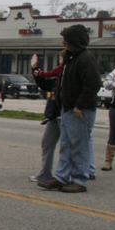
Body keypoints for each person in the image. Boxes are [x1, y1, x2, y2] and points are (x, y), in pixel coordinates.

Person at [38, 24, 100, 193]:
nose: (63, 41)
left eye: (65, 39)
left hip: (80, 111)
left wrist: (80, 105)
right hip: (66, 109)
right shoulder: (71, 58)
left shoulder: (85, 59)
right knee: (66, 146)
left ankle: (80, 180)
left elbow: (93, 85)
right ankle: (61, 177)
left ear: (73, 40)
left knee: (79, 146)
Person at [29, 52, 65, 183]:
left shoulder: (68, 76)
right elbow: (43, 83)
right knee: (47, 143)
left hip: (65, 115)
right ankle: (45, 174)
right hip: (53, 116)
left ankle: (66, 176)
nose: (59, 60)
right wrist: (34, 68)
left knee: (67, 147)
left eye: (61, 58)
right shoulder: (56, 77)